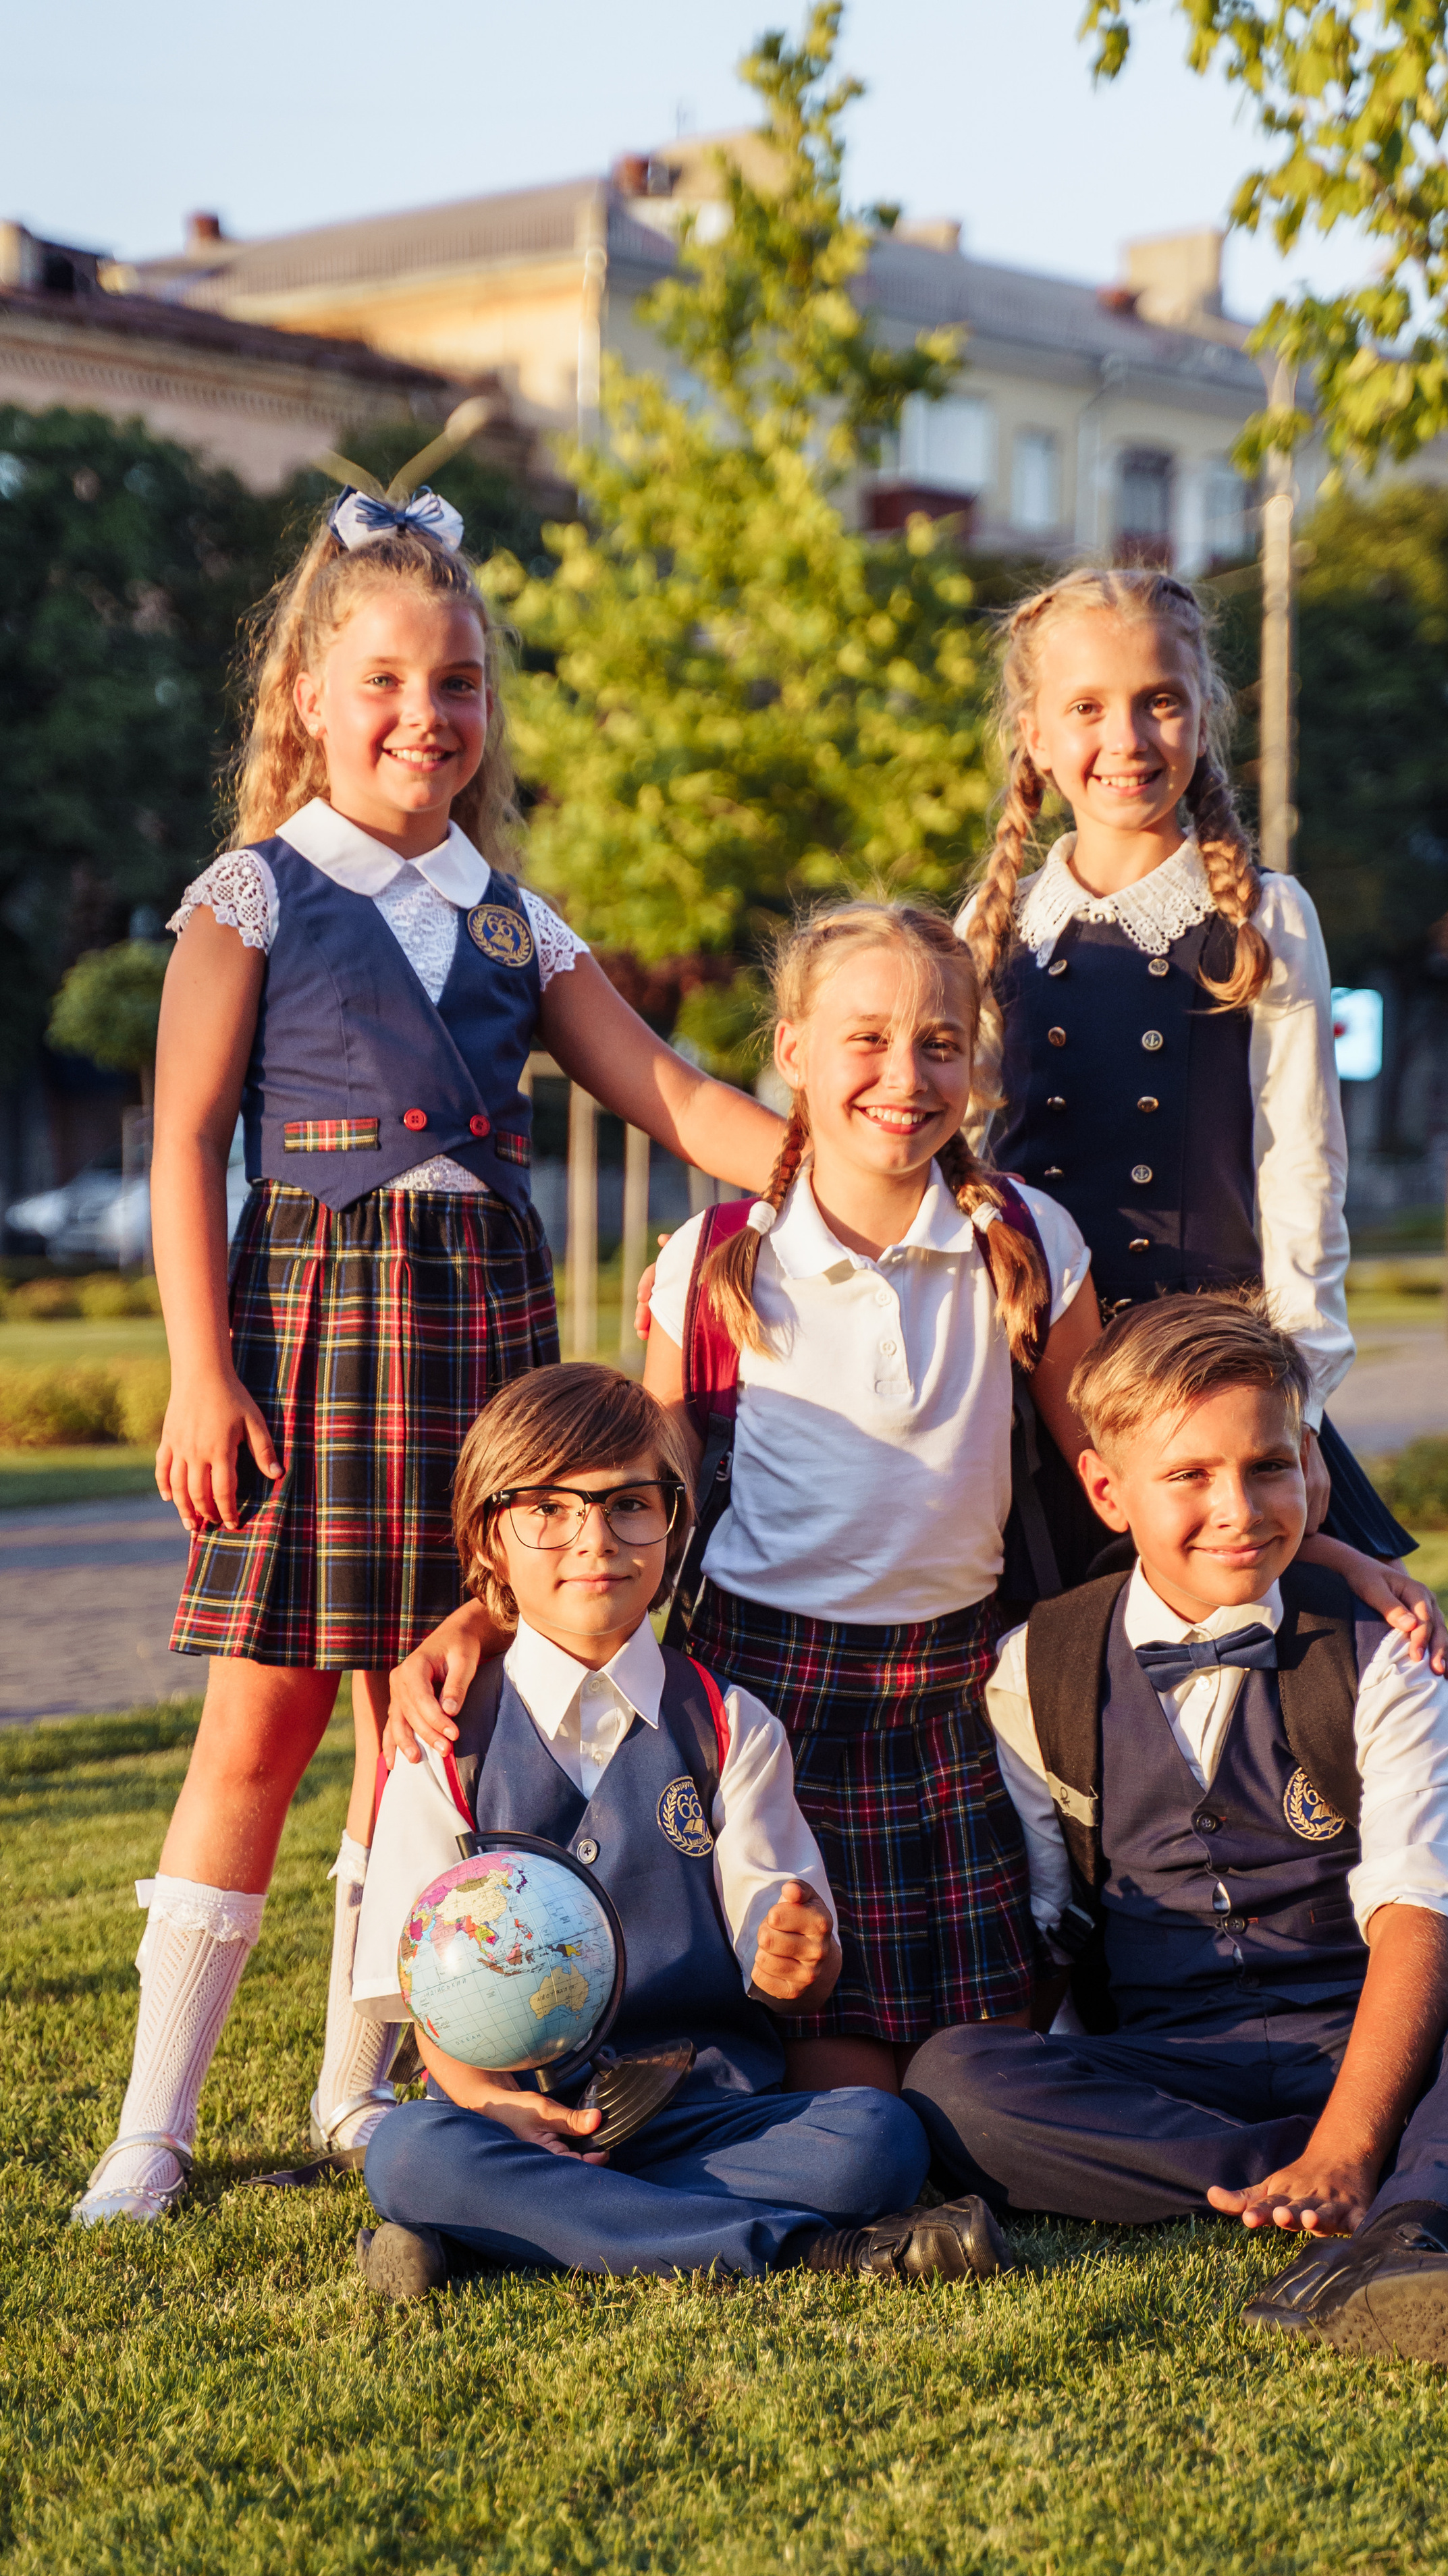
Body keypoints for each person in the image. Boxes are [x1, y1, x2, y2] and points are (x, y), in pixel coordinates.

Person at [74, 474, 786, 2229]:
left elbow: (679, 1097)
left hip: (484, 1361)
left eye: (456, 685)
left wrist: (844, 1149)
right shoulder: (250, 894)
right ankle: (149, 2136)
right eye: (384, 683)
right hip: (302, 1346)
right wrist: (198, 1371)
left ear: (489, 709)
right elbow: (180, 1144)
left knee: (435, 1736)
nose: (423, 716)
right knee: (256, 1733)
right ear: (307, 696)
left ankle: (357, 2083)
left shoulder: (513, 922)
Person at [391, 900, 1104, 2093]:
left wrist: (1336, 1555)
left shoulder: (1027, 1239)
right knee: (826, 2065)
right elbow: (624, 1497)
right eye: (865, 1039)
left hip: (950, 1694)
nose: (905, 1075)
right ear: (792, 1052)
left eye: (941, 1043)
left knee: (974, 2070)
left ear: (977, 1063)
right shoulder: (716, 1260)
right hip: (769, 1694)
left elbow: (1113, 1466)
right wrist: (492, 1612)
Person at [902, 1294, 1448, 2367]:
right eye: (1191, 1477)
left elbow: (1416, 1906)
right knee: (955, 2080)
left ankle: (1414, 2193)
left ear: (1313, 1467)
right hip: (1168, 2066)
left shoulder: (1380, 1646)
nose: (1240, 1508)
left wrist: (1354, 2126)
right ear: (1108, 1492)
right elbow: (1051, 1917)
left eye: (1268, 1467)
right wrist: (1016, 2083)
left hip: (1375, 2041)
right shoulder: (1039, 1663)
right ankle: (1435, 2180)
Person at [354, 1361, 1009, 2294]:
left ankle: (499, 2231)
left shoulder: (730, 1725)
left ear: (674, 1522)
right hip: (508, 2118)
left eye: (631, 1504)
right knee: (412, 2150)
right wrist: (494, 2104)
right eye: (547, 1509)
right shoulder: (442, 1739)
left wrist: (797, 1956)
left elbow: (787, 1956)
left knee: (876, 2136)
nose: (595, 1539)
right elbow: (423, 1997)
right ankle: (801, 2247)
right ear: (489, 1539)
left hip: (702, 2114)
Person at [959, 564, 1427, 1601]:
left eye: (1158, 702)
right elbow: (932, 1166)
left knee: (1269, 1690)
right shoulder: (985, 940)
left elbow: (1305, 1173)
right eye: (1086, 707)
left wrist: (1292, 1406)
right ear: (1033, 734)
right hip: (1040, 1392)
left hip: (1212, 1391)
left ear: (1203, 716)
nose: (1124, 740)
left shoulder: (1266, 920)